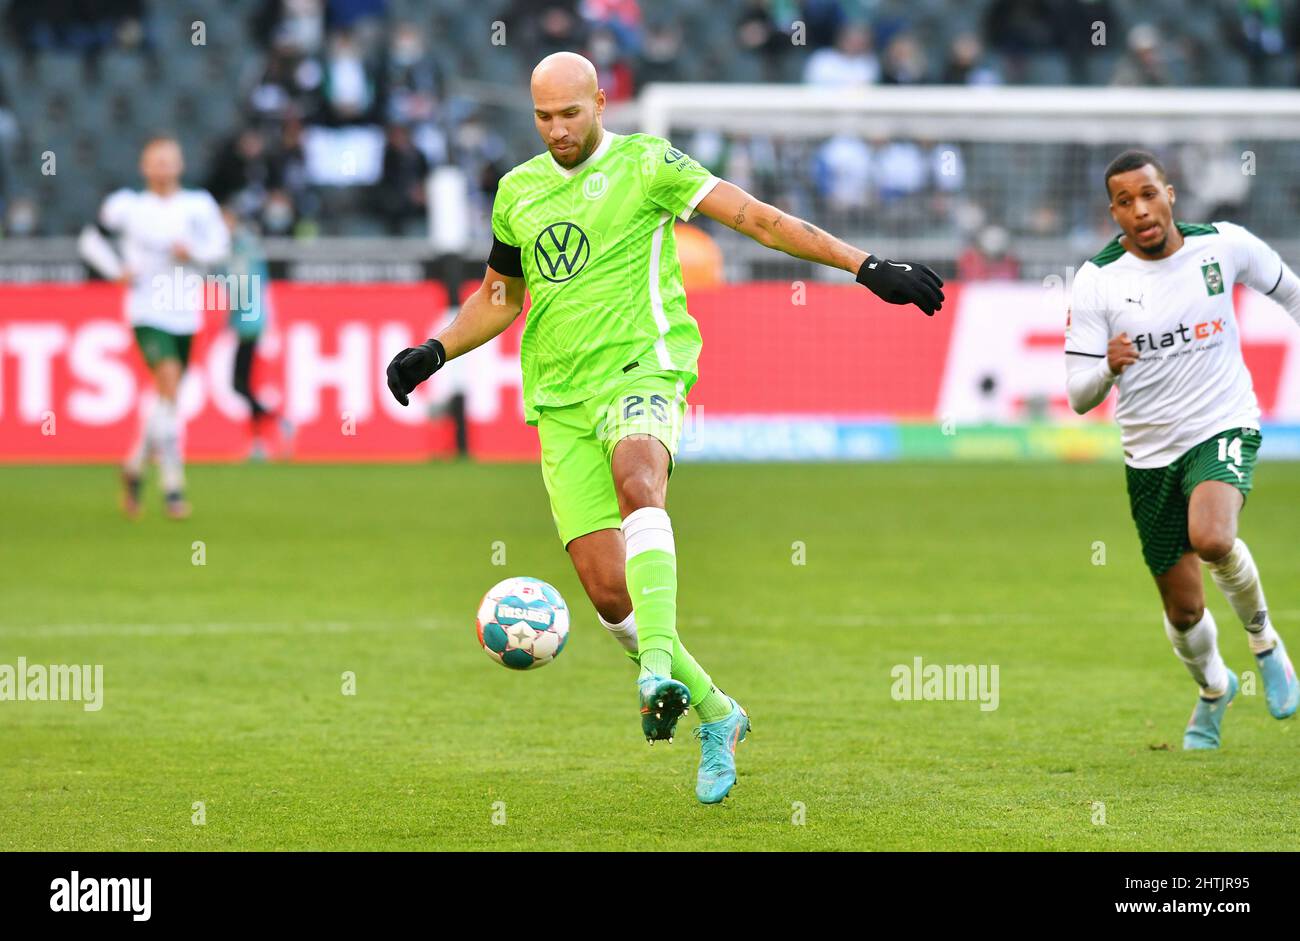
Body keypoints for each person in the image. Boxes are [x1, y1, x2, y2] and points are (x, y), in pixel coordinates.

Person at [386, 52, 942, 803]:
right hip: (558, 397)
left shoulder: (650, 164)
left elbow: (755, 218)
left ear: (601, 102)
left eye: (569, 114)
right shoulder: (517, 191)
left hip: (644, 366)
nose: (557, 130)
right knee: (609, 595)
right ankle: (718, 711)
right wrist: (435, 349)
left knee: (639, 479)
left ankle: (654, 673)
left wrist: (863, 263)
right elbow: (499, 294)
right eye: (543, 117)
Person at [1066, 149, 1300, 749]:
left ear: (1170, 193)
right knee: (1184, 612)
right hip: (1149, 455)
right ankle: (1215, 690)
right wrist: (1109, 369)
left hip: (1223, 424)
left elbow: (1291, 294)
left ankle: (1266, 645)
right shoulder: (1098, 279)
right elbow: (1077, 395)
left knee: (1213, 538)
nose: (1140, 210)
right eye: (1125, 201)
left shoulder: (1224, 246)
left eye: (1149, 194)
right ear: (1113, 211)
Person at [79, 135, 230, 519]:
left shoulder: (198, 205)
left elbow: (220, 247)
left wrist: (191, 252)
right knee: (168, 380)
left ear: (179, 165)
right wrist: (116, 271)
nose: (162, 167)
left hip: (185, 310)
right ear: (144, 166)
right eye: (155, 160)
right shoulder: (127, 206)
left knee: (168, 398)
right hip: (146, 310)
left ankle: (132, 466)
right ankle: (173, 487)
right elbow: (90, 239)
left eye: (169, 160)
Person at [221, 206, 293, 460]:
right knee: (244, 384)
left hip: (248, 323)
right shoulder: (243, 246)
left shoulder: (241, 248)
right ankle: (259, 443)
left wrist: (228, 316)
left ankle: (277, 423)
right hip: (250, 321)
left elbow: (241, 284)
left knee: (239, 383)